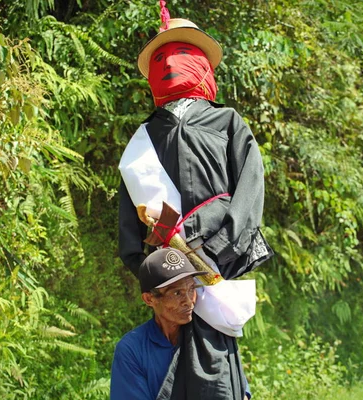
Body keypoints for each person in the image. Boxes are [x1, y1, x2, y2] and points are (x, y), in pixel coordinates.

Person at [117, 16, 272, 400]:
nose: (171, 64)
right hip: (171, 272)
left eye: (181, 54)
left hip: (214, 266)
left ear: (198, 61)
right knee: (167, 352)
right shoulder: (145, 138)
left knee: (214, 354)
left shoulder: (226, 121)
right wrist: (160, 276)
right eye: (164, 57)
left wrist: (217, 254)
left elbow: (249, 191)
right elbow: (130, 223)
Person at [110, 248, 250, 400]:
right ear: (149, 299)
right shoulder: (133, 349)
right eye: (177, 293)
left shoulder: (209, 335)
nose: (189, 301)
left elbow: (240, 390)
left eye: (191, 289)